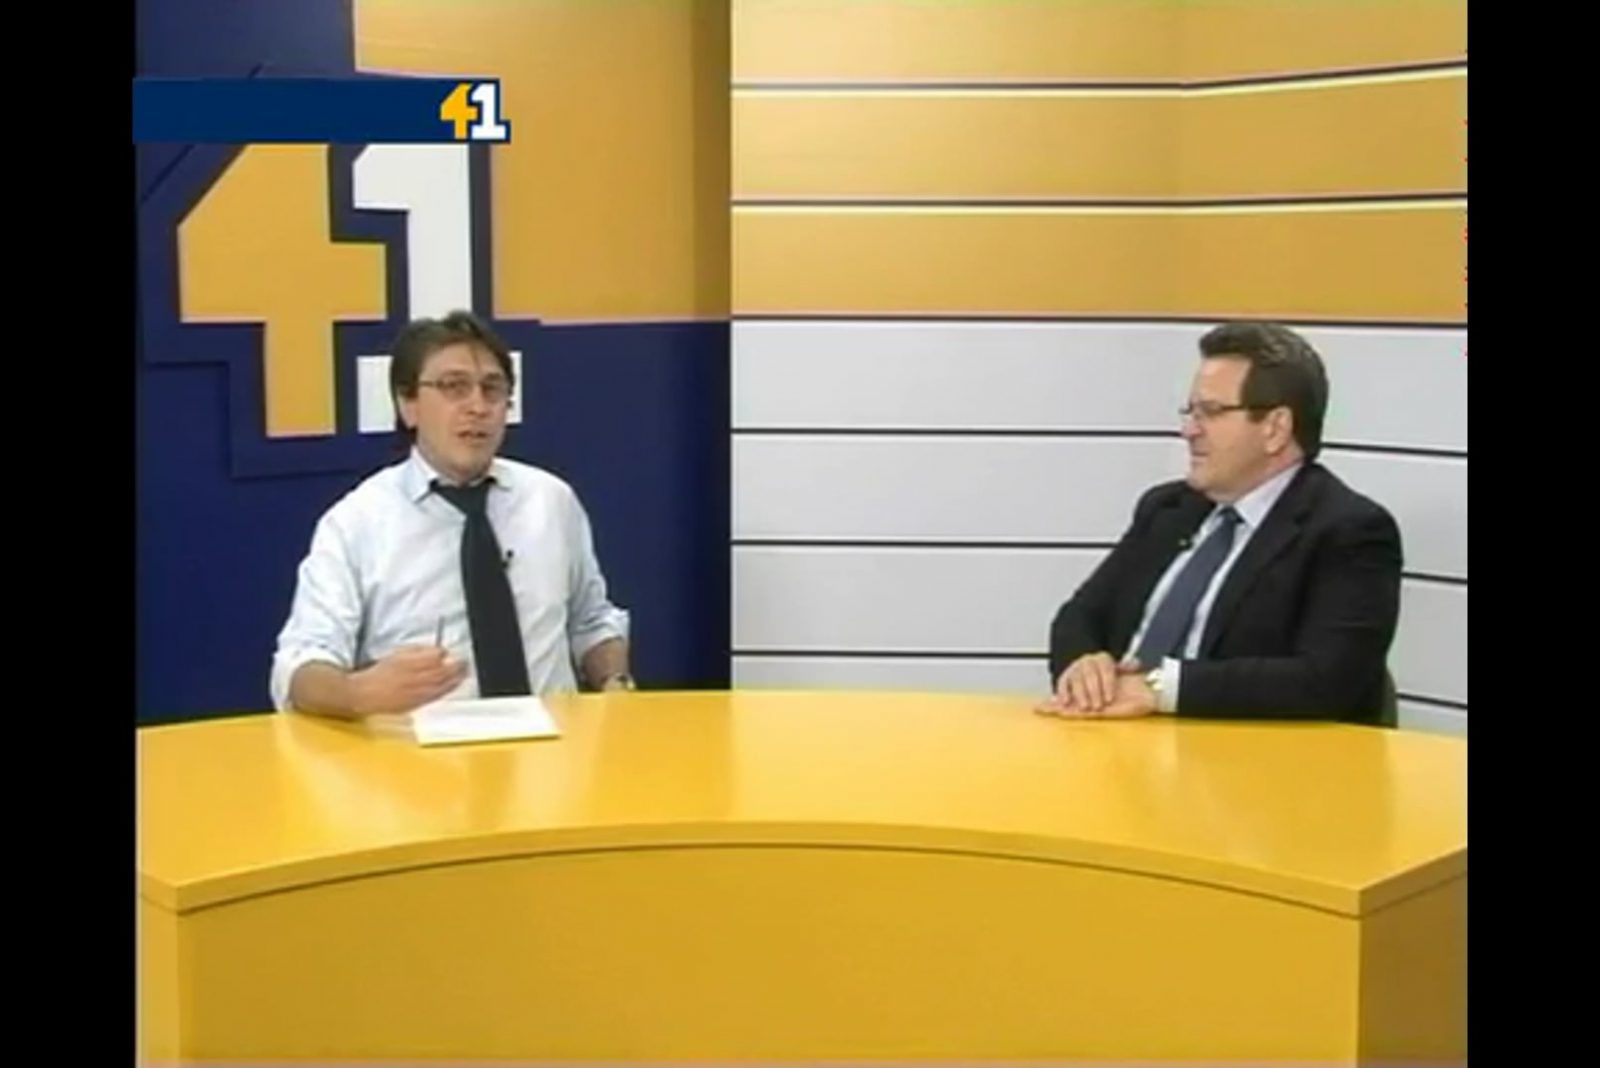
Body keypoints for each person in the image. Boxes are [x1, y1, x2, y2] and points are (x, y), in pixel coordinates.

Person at [270, 310, 632, 718]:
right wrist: (358, 693)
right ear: (408, 404)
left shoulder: (551, 501)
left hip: (553, 748)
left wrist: (614, 682)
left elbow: (591, 623)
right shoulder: (357, 524)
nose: (478, 406)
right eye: (454, 387)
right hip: (414, 753)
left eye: (492, 389)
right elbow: (299, 667)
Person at [1039, 321, 1402, 724]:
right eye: (1190, 412)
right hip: (1118, 743)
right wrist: (1085, 665)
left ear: (1275, 428)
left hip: (1244, 756)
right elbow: (1080, 616)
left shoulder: (1349, 531)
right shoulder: (1167, 508)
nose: (1189, 430)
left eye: (1210, 412)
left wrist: (1161, 689)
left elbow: (1327, 680)